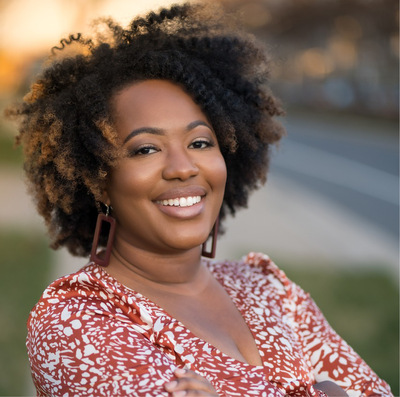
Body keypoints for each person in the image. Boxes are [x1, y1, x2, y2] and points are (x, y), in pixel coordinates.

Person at [6, 3, 392, 397]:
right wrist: (327, 392)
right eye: (145, 149)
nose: (182, 167)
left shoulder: (269, 288)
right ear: (98, 180)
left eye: (200, 142)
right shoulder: (74, 322)